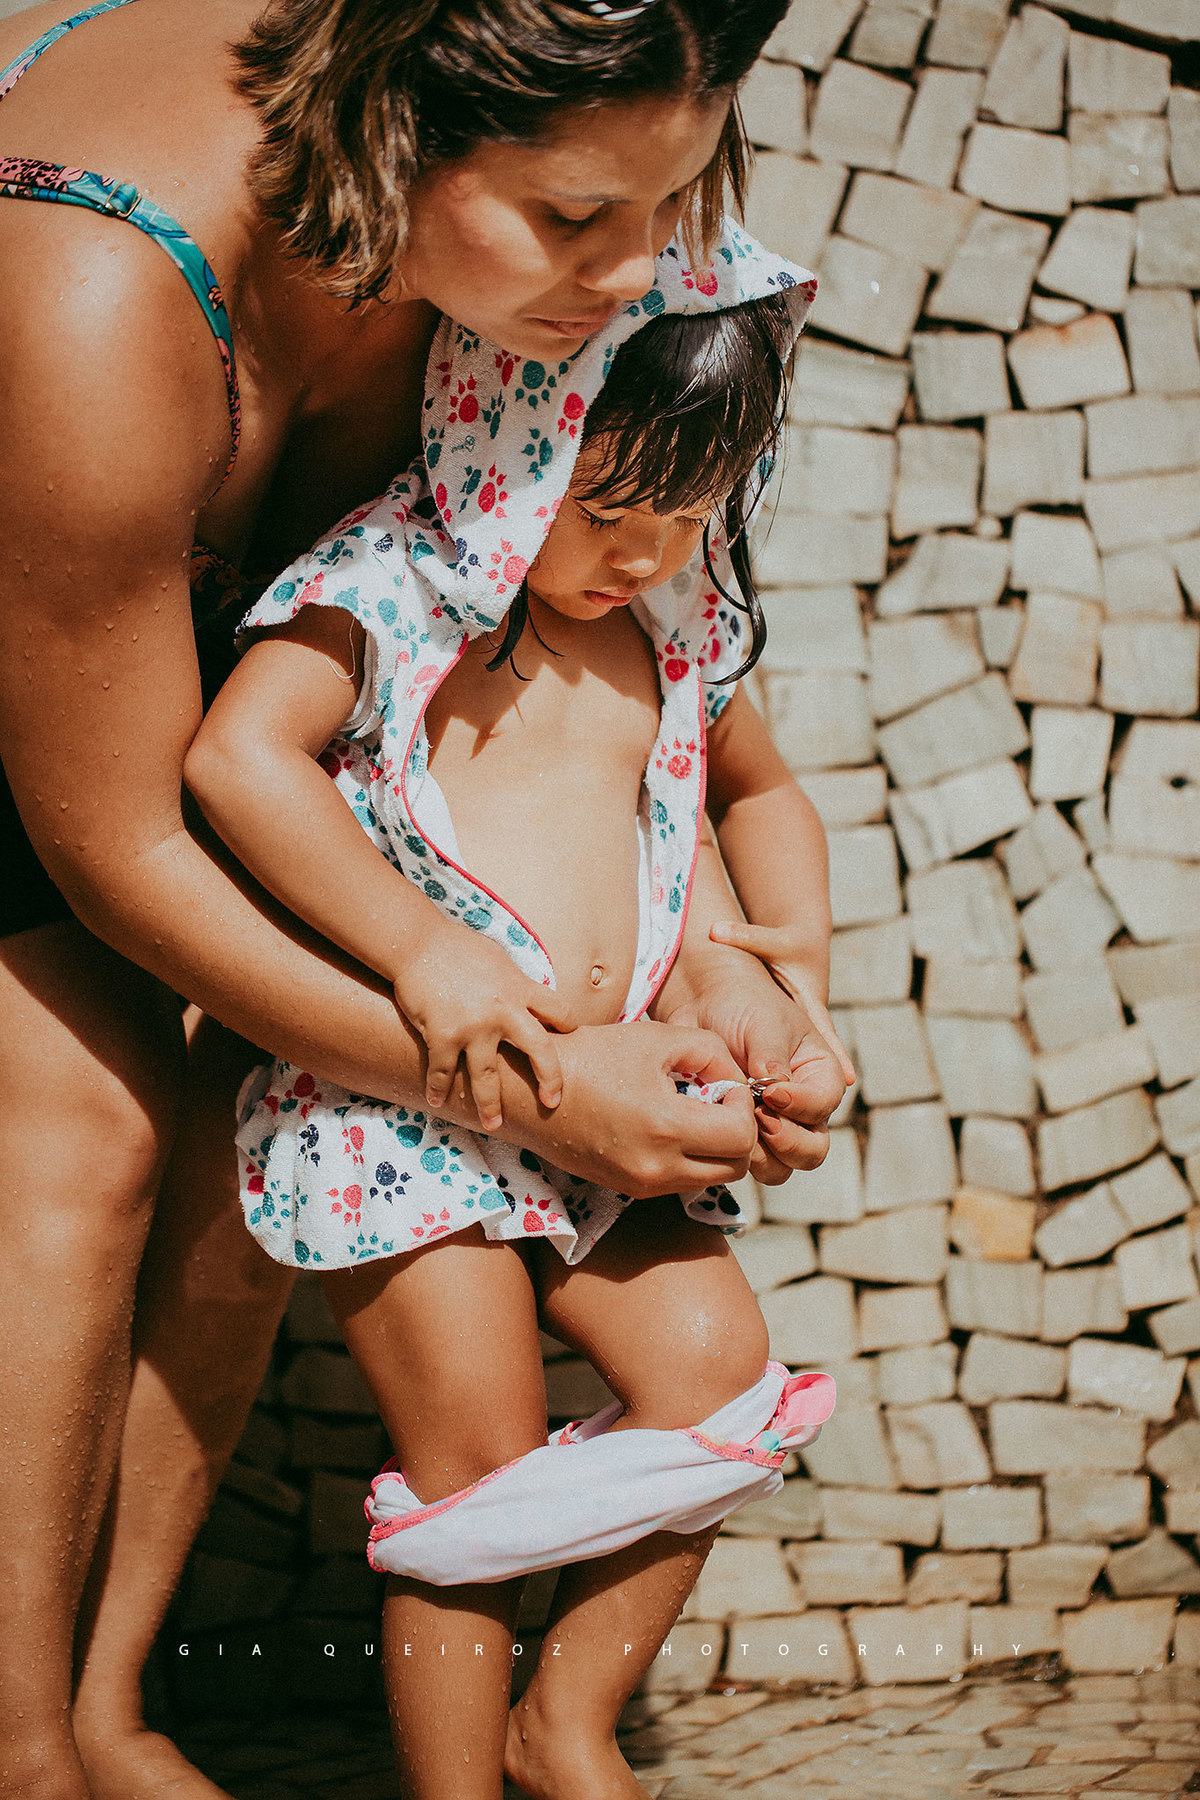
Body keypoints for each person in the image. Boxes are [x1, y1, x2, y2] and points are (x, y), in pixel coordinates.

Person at [0, 3, 851, 1796]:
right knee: (88, 1136)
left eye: (670, 207)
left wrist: (734, 964)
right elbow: (134, 837)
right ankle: (29, 1743)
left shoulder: (590, 170)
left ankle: (131, 1704)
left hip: (301, 729)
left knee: (238, 1161)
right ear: (399, 127)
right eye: (579, 220)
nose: (638, 274)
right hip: (56, 656)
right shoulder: (92, 296)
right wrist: (523, 1076)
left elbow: (663, 765)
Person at [181, 240, 839, 1800]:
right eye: (603, 507)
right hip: (404, 1109)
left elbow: (746, 799)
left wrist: (772, 970)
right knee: (475, 1468)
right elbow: (236, 762)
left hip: (604, 1108)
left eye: (685, 509)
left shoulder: (667, 617)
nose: (642, 550)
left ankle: (565, 1726)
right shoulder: (396, 585)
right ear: (507, 428)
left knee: (722, 1368)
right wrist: (422, 949)